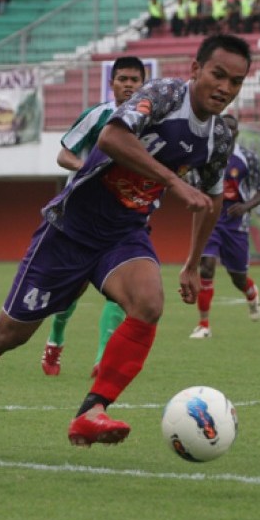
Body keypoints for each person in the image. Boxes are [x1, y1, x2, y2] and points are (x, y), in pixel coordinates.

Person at [0, 34, 251, 452]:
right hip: (69, 229)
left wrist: (192, 262)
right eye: (218, 75)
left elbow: (213, 198)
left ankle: (91, 411)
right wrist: (172, 181)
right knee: (8, 335)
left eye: (236, 82)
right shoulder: (163, 95)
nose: (224, 88)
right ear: (196, 69)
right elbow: (110, 138)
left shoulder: (218, 138)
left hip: (124, 235)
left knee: (148, 304)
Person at [41, 56, 146, 378]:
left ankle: (103, 360)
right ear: (112, 83)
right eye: (122, 79)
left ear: (144, 84)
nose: (128, 85)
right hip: (82, 215)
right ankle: (55, 341)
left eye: (134, 80)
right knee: (72, 290)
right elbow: (64, 154)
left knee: (120, 289)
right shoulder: (97, 116)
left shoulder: (151, 124)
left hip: (123, 217)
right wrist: (89, 170)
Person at [190, 114, 260, 339]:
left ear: (237, 133)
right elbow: (194, 183)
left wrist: (245, 207)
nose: (228, 131)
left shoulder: (248, 158)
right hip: (211, 218)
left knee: (238, 277)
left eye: (232, 128)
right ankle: (203, 325)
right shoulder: (204, 156)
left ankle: (251, 292)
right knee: (206, 266)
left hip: (236, 223)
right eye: (223, 127)